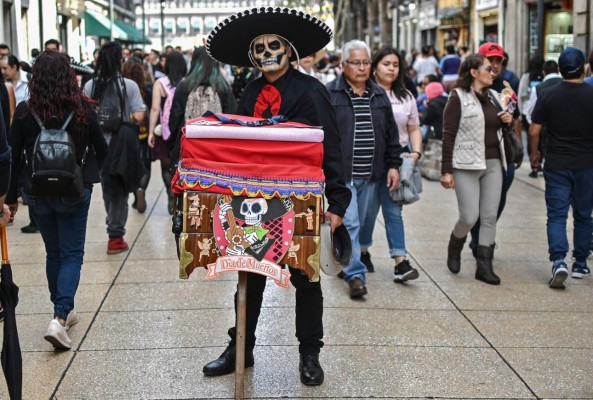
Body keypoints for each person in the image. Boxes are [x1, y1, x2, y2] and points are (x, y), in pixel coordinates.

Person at [203, 7, 351, 386]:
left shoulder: (312, 91)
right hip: (252, 201)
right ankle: (241, 348)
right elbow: (238, 145)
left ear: (289, 50)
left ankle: (309, 354)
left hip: (300, 201)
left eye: (273, 45)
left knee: (305, 277)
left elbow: (331, 148)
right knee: (249, 276)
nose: (266, 51)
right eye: (259, 47)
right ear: (252, 56)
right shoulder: (249, 90)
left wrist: (337, 203)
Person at [6, 51, 108, 349]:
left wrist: (11, 198)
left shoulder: (25, 111)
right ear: (68, 76)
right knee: (72, 253)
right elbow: (102, 149)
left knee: (54, 252)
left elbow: (12, 156)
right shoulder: (83, 110)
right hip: (74, 191)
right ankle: (60, 316)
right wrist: (86, 171)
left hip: (38, 192)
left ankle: (63, 309)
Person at [326, 40, 403, 298]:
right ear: (343, 65)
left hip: (371, 173)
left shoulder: (379, 95)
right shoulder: (330, 93)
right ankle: (355, 275)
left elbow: (392, 135)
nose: (362, 68)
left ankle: (344, 256)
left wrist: (394, 165)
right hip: (342, 175)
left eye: (366, 63)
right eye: (356, 63)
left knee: (366, 222)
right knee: (351, 222)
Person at [441, 54, 513, 285]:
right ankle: (455, 244)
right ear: (473, 72)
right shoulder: (457, 97)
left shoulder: (494, 97)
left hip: (493, 163)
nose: (492, 73)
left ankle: (484, 266)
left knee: (489, 216)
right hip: (465, 164)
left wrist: (507, 120)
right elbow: (448, 135)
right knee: (470, 216)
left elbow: (503, 128)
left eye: (493, 70)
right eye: (487, 69)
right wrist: (446, 170)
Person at [528, 48, 593, 289]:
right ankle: (580, 263)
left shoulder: (547, 94)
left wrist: (535, 154)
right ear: (584, 68)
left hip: (556, 163)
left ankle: (558, 260)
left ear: (559, 69)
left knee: (556, 214)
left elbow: (534, 130)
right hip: (587, 164)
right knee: (584, 215)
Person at [359, 46, 421, 282]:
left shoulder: (406, 97)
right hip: (370, 158)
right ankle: (363, 251)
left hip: (399, 157)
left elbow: (414, 128)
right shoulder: (366, 94)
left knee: (394, 210)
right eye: (387, 64)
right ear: (375, 68)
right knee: (368, 211)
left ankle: (400, 261)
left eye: (395, 65)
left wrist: (415, 154)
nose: (392, 69)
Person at [83, 42, 146, 254]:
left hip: (98, 145)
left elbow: (85, 116)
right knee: (120, 189)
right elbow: (138, 116)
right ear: (120, 60)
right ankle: (116, 236)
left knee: (109, 188)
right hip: (122, 146)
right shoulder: (129, 86)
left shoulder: (91, 86)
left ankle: (113, 228)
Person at [468, 42, 523, 258]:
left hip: (503, 153)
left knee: (498, 199)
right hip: (476, 153)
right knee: (475, 204)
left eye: (498, 60)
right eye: (490, 60)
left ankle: (483, 239)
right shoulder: (469, 85)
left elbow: (515, 117)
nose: (495, 64)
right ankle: (478, 238)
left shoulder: (508, 84)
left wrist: (518, 147)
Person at [168, 46, 237, 168]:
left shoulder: (184, 86)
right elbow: (233, 116)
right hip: (217, 152)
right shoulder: (223, 87)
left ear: (194, 62)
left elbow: (174, 118)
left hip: (188, 149)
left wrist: (174, 142)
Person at [148, 51, 187, 215]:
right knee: (182, 164)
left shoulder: (160, 83)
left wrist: (151, 132)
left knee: (166, 165)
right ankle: (179, 194)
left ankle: (169, 192)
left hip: (165, 132)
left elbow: (155, 108)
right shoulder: (187, 83)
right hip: (184, 131)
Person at [122, 57, 152, 214]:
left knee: (131, 165)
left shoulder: (122, 87)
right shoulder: (147, 89)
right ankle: (142, 189)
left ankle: (136, 192)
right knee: (145, 165)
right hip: (145, 132)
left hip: (127, 132)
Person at [523, 60, 562, 175]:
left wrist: (534, 153)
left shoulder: (539, 88)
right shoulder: (568, 85)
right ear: (558, 70)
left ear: (544, 72)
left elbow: (530, 113)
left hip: (548, 136)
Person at [518, 55, 544, 177]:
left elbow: (521, 95)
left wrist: (520, 112)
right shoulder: (544, 76)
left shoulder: (526, 76)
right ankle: (540, 161)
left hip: (528, 111)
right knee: (542, 137)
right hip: (543, 110)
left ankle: (534, 165)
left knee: (531, 137)